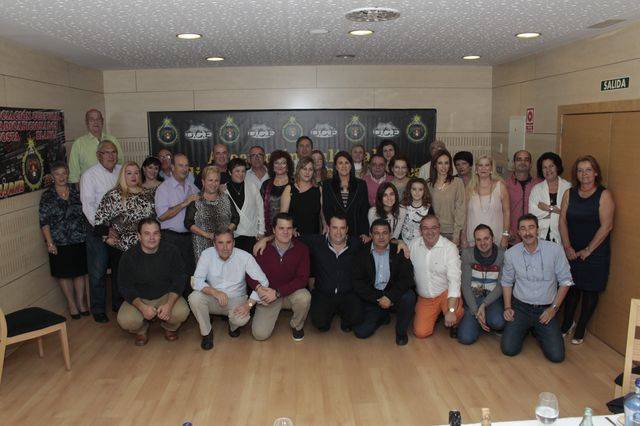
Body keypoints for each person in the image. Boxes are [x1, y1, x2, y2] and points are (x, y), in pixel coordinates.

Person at [501, 214, 573, 363]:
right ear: (518, 233)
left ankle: (537, 330)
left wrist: (553, 309)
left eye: (531, 227)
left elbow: (566, 281)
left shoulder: (555, 250)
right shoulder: (511, 254)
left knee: (557, 356)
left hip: (546, 309)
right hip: (520, 308)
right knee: (508, 349)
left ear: (538, 230)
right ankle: (530, 329)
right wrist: (508, 307)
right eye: (523, 229)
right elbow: (507, 282)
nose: (527, 232)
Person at [559, 155, 614, 345]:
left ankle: (581, 326)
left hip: (595, 252)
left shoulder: (604, 195)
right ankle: (567, 323)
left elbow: (607, 226)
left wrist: (588, 250)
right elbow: (562, 221)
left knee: (590, 291)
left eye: (588, 170)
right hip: (572, 250)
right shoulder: (569, 193)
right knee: (571, 288)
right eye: (580, 171)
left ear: (596, 172)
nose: (584, 174)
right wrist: (567, 246)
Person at [188, 230, 270, 350]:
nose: (225, 247)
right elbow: (196, 281)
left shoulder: (245, 257)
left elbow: (264, 282)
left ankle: (233, 327)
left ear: (234, 243)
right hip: (213, 297)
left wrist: (248, 305)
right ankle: (207, 333)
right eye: (220, 243)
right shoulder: (206, 254)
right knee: (194, 298)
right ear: (214, 244)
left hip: (236, 299)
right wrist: (214, 292)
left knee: (241, 319)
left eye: (229, 242)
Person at [116, 218, 190, 346]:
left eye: (156, 233)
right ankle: (141, 330)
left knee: (182, 312)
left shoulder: (172, 251)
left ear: (160, 235)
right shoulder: (128, 256)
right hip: (140, 298)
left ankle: (170, 327)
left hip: (165, 295)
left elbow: (180, 279)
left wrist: (169, 305)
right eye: (147, 233)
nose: (152, 238)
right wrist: (142, 307)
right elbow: (124, 286)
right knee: (126, 320)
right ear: (139, 236)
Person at [94, 161, 156, 313]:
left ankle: (145, 310)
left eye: (136, 172)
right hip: (121, 248)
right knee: (122, 280)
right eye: (129, 173)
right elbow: (99, 223)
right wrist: (107, 238)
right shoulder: (113, 195)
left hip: (144, 246)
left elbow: (154, 218)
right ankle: (123, 312)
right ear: (123, 175)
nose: (133, 176)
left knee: (144, 278)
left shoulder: (147, 194)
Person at [248, 213, 311, 341]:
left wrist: (278, 293)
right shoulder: (261, 248)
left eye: (289, 228)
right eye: (281, 228)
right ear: (273, 230)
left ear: (293, 230)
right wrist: (259, 289)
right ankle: (272, 315)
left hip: (289, 293)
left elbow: (303, 279)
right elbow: (249, 274)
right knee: (259, 335)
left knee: (304, 297)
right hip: (268, 295)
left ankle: (297, 325)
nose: (285, 232)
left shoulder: (302, 249)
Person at [353, 219, 416, 345]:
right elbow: (357, 282)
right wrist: (378, 298)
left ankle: (401, 333)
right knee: (361, 332)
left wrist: (390, 297)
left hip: (394, 295)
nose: (381, 237)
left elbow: (407, 278)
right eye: (377, 233)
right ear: (371, 235)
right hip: (373, 297)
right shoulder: (361, 253)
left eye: (385, 233)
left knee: (409, 296)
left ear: (390, 235)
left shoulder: (399, 251)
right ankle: (383, 316)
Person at [39, 162, 88, 319]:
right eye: (57, 174)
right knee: (64, 274)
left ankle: (81, 303)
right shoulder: (47, 196)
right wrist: (49, 242)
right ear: (52, 177)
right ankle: (72, 305)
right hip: (59, 241)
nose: (61, 177)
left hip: (79, 238)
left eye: (64, 173)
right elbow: (44, 221)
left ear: (68, 174)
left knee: (80, 272)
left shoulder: (76, 191)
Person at [80, 139, 122, 323]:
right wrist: (105, 229)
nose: (111, 156)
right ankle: (98, 309)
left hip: (119, 228)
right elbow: (87, 206)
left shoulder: (121, 170)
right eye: (107, 152)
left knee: (119, 269)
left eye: (114, 152)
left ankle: (119, 305)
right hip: (98, 229)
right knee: (98, 270)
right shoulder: (89, 175)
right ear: (99, 155)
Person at [410, 215, 464, 338]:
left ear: (439, 228)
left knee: (456, 313)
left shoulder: (450, 248)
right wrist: (400, 242)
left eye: (433, 227)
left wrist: (451, 311)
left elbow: (454, 281)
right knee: (421, 332)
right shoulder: (413, 245)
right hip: (426, 297)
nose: (430, 232)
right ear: (420, 230)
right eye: (425, 228)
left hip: (445, 293)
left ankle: (454, 320)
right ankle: (438, 315)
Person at [155, 153, 200, 284]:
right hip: (170, 238)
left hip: (190, 238)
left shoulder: (192, 187)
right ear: (173, 167)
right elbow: (162, 216)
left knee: (190, 275)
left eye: (186, 166)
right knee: (172, 276)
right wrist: (184, 203)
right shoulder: (163, 188)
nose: (184, 169)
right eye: (181, 165)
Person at [457, 224, 505, 345]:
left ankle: (483, 318)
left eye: (486, 238)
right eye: (478, 240)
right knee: (465, 338)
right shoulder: (467, 254)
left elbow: (500, 286)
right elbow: (465, 286)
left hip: (493, 299)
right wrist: (475, 311)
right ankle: (478, 319)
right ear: (475, 241)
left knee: (498, 322)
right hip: (473, 298)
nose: (483, 243)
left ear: (493, 239)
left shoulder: (502, 255)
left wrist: (484, 304)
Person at [184, 165, 239, 261]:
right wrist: (208, 235)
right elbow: (188, 223)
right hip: (202, 247)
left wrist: (224, 233)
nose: (213, 184)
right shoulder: (195, 199)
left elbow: (236, 218)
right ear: (203, 182)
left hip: (225, 248)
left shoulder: (226, 198)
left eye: (216, 180)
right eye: (210, 180)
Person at [462, 156, 510, 248]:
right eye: (480, 165)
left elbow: (507, 213)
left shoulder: (501, 186)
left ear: (491, 168)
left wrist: (505, 236)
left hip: (496, 240)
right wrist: (463, 237)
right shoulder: (469, 188)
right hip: (473, 240)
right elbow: (464, 215)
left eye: (487, 165)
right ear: (476, 168)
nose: (483, 168)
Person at [322, 151, 370, 239]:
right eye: (340, 163)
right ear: (336, 167)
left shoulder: (361, 184)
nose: (344, 166)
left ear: (351, 166)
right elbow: (327, 210)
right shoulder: (327, 185)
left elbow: (364, 211)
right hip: (336, 232)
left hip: (356, 232)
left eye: (347, 163)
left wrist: (364, 232)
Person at [68, 109, 122, 183]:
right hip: (89, 185)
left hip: (113, 183)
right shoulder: (78, 144)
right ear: (86, 123)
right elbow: (74, 175)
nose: (95, 122)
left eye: (98, 119)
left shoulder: (113, 140)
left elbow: (120, 164)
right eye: (92, 120)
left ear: (102, 121)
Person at [225, 157, 265, 253]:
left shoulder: (252, 186)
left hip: (252, 235)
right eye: (237, 171)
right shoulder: (223, 190)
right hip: (233, 236)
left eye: (243, 171)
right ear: (230, 172)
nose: (241, 174)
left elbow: (260, 210)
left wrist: (261, 231)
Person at [529, 152, 571, 244]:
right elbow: (533, 214)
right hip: (540, 235)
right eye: (544, 167)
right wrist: (557, 211)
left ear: (557, 167)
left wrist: (547, 208)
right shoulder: (536, 189)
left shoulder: (568, 187)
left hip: (562, 236)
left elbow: (570, 213)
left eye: (551, 166)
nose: (548, 170)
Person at [428, 149, 466, 246]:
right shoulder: (428, 184)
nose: (443, 167)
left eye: (446, 163)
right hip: (433, 232)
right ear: (435, 165)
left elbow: (461, 210)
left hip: (452, 232)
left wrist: (456, 235)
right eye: (440, 163)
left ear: (450, 165)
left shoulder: (457, 183)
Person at [505, 150, 542, 244]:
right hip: (512, 237)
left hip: (533, 237)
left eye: (526, 160)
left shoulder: (539, 185)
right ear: (514, 163)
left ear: (531, 164)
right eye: (519, 159)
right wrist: (506, 232)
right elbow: (500, 211)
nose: (523, 162)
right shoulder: (504, 184)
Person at [280, 156, 323, 235]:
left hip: (314, 236)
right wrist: (290, 229)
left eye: (310, 169)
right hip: (294, 237)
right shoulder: (289, 189)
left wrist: (326, 225)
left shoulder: (318, 189)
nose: (307, 172)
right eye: (304, 169)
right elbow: (282, 216)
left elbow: (322, 213)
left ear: (313, 172)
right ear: (298, 170)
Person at [261, 150, 293, 235]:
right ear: (272, 166)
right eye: (276, 163)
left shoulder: (294, 184)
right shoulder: (266, 184)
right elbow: (260, 209)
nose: (280, 166)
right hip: (268, 229)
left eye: (283, 163)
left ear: (288, 166)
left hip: (289, 229)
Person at [400, 177, 434, 243]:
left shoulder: (428, 208)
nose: (417, 192)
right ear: (409, 190)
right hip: (403, 243)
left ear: (424, 191)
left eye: (420, 189)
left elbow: (431, 228)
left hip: (421, 243)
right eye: (414, 189)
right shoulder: (402, 206)